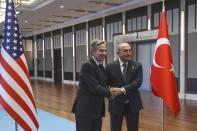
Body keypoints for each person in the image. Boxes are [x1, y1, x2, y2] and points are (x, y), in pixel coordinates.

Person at [72, 39, 114, 131]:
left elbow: (104, 85)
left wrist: (114, 89)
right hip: (85, 110)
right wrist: (112, 93)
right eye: (101, 50)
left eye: (105, 50)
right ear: (93, 52)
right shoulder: (87, 65)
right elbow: (95, 88)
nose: (104, 53)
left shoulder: (101, 67)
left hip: (97, 110)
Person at [105, 42, 143, 131]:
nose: (128, 53)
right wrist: (109, 92)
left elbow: (138, 82)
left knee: (133, 128)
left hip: (132, 104)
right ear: (118, 53)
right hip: (115, 104)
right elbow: (105, 83)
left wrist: (122, 89)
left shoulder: (137, 65)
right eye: (125, 51)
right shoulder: (110, 66)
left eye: (130, 50)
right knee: (115, 128)